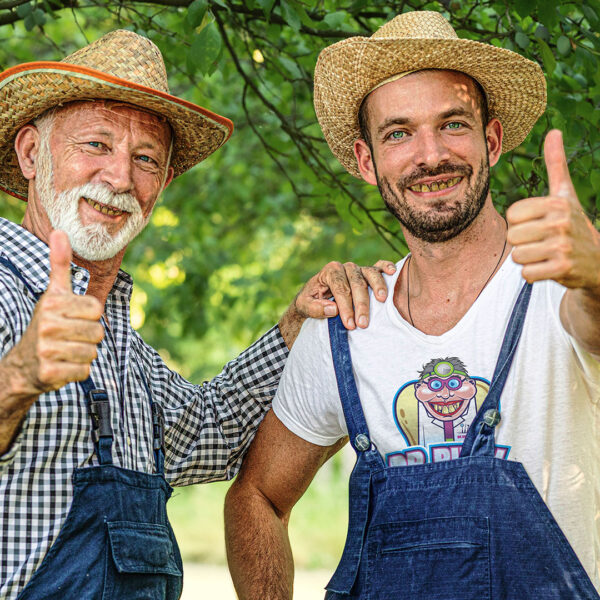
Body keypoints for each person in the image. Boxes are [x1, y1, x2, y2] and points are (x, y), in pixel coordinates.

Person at [0, 30, 393, 600]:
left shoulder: (122, 348)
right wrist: (18, 378)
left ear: (159, 185)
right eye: (96, 145)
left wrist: (295, 326)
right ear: (32, 153)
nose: (119, 177)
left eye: (145, 159)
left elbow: (212, 431)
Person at [224, 10, 600, 599]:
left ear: (492, 140)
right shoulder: (347, 325)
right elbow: (257, 498)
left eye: (452, 124)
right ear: (368, 161)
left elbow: (594, 325)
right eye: (398, 133)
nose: (430, 156)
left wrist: (596, 277)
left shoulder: (562, 288)